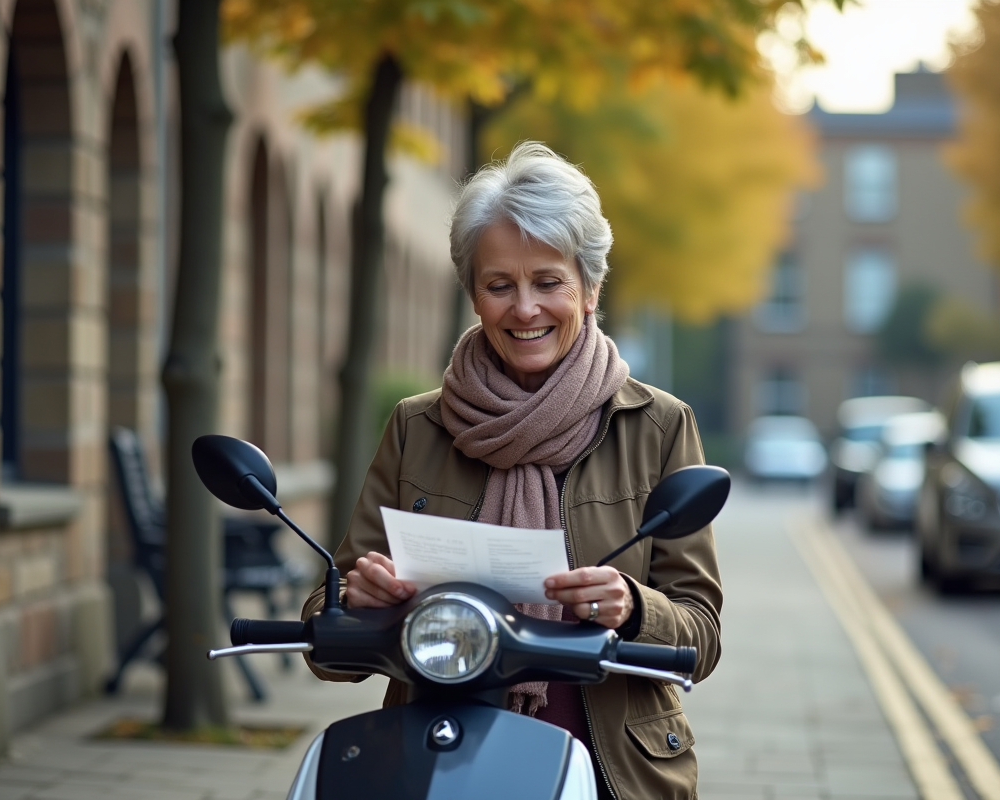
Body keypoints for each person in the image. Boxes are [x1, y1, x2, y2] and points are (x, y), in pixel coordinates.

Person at [302, 141, 723, 800]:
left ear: (589, 289)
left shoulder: (660, 427)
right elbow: (325, 644)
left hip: (609, 767)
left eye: (548, 282)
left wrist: (633, 606)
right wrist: (357, 601)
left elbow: (702, 637)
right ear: (475, 295)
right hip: (433, 759)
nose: (524, 309)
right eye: (500, 285)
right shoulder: (418, 427)